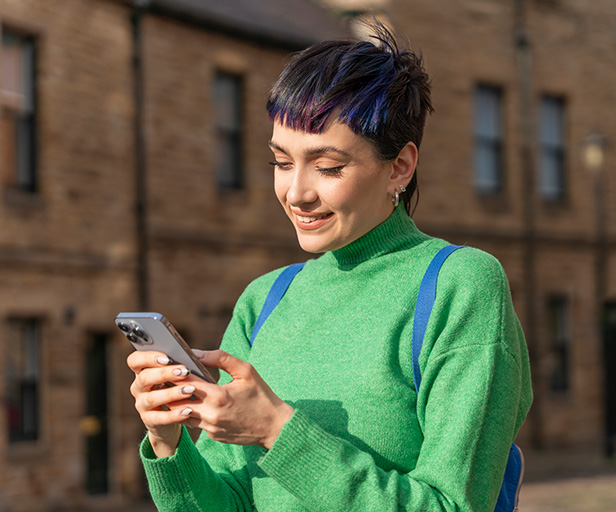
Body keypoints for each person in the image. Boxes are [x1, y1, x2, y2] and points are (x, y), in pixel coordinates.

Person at [127, 22, 532, 512]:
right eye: (281, 162)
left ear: (400, 167)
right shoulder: (265, 299)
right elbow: (228, 503)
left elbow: (452, 506)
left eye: (328, 166)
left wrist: (277, 431)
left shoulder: (458, 284)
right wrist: (170, 445)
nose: (296, 192)